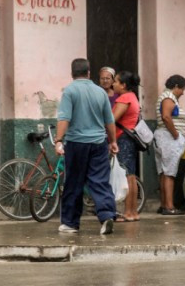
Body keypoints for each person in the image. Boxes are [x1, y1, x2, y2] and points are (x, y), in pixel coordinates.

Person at [55, 58, 118, 235]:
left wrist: (58, 140)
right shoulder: (100, 92)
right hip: (99, 143)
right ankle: (106, 216)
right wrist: (113, 141)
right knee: (100, 181)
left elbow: (64, 118)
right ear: (89, 73)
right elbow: (109, 120)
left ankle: (70, 223)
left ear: (72, 73)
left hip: (76, 144)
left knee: (74, 182)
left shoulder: (70, 91)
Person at [154, 75, 185, 215]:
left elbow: (170, 117)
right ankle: (169, 207)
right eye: (182, 89)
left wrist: (183, 123)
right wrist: (175, 134)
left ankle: (164, 205)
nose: (183, 92)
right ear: (176, 86)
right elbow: (166, 117)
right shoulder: (169, 97)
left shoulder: (165, 96)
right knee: (170, 173)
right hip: (168, 137)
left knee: (164, 172)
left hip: (163, 136)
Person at [111, 71, 141, 222]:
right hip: (128, 140)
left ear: (123, 85)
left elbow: (112, 119)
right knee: (131, 176)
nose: (113, 84)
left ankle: (129, 212)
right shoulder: (133, 97)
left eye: (116, 81)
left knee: (127, 177)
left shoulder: (124, 98)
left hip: (123, 139)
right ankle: (133, 212)